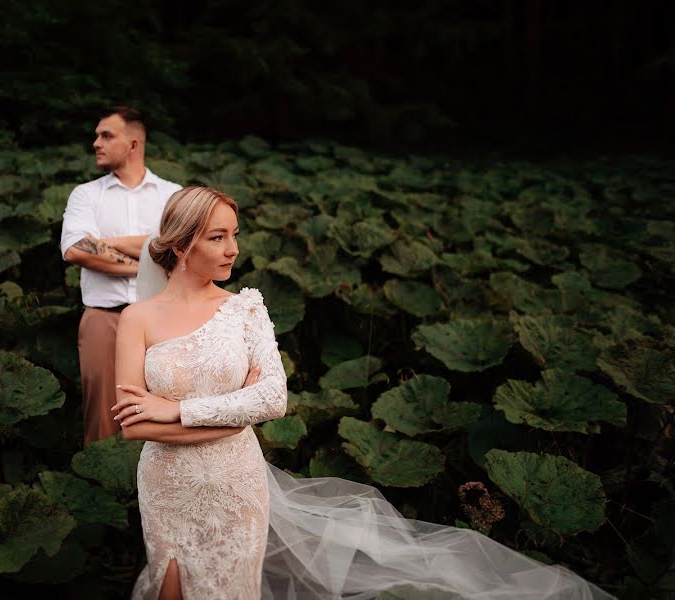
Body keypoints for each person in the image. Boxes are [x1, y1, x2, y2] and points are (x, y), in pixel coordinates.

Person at [112, 186, 617, 599]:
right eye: (218, 238)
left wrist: (175, 409)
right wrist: (231, 416)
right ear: (180, 245)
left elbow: (271, 400)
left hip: (235, 482)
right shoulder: (137, 319)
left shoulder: (246, 309)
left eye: (235, 235)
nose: (233, 250)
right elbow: (133, 425)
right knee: (167, 589)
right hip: (167, 487)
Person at [60, 106, 182, 445]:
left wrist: (106, 243)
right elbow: (76, 250)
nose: (96, 143)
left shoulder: (172, 194)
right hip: (105, 319)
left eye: (106, 135)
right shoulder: (86, 194)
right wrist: (148, 256)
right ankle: (105, 490)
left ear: (133, 143)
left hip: (164, 320)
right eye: (97, 135)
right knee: (103, 419)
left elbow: (180, 249)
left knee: (169, 408)